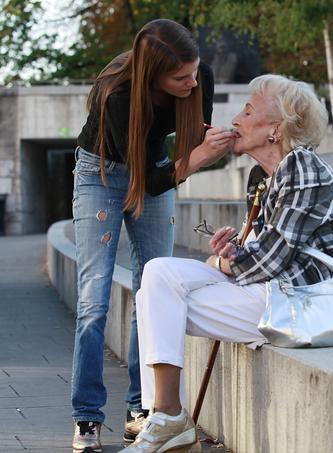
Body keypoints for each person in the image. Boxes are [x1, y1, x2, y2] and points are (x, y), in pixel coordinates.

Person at [121, 74, 333, 452]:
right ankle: (166, 414)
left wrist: (223, 263)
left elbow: (272, 259)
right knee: (157, 274)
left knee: (159, 301)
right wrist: (232, 252)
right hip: (267, 291)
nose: (235, 121)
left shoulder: (303, 169)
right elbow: (258, 257)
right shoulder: (262, 177)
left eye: (248, 111)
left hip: (300, 303)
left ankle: (167, 420)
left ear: (275, 129)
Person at [70, 18, 234, 453]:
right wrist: (200, 156)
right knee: (94, 299)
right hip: (101, 174)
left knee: (152, 286)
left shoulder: (200, 77)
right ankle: (87, 417)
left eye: (195, 72)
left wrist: (214, 143)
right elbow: (150, 181)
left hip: (155, 166)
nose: (193, 82)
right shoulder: (118, 96)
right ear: (152, 76)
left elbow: (186, 148)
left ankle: (140, 410)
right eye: (181, 78)